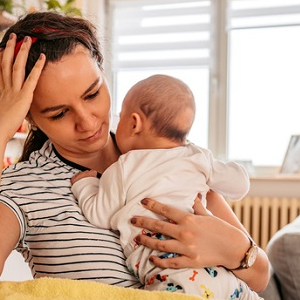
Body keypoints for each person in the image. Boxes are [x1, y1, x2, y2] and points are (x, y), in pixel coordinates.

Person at [0, 11, 270, 296]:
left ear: (104, 74)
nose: (87, 121)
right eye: (59, 113)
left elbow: (261, 274)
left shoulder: (163, 151)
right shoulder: (27, 185)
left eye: (92, 94)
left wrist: (235, 250)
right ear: (29, 117)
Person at [70, 75, 259, 299]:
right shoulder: (198, 157)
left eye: (120, 118)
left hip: (170, 274)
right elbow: (239, 186)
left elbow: (98, 214)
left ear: (134, 123)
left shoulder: (123, 167)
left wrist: (84, 184)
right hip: (220, 272)